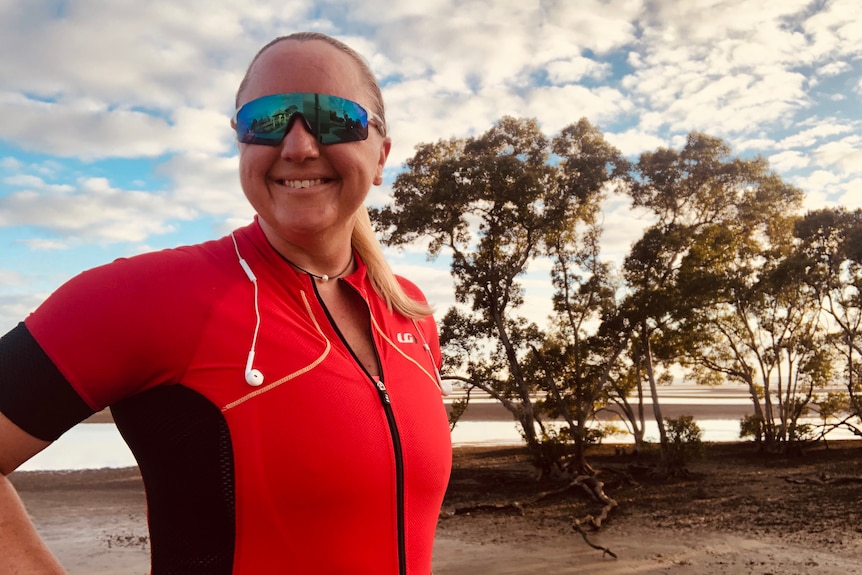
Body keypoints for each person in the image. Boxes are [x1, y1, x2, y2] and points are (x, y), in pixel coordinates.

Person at [0, 32, 452, 574]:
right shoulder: (147, 297)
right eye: (267, 119)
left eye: (335, 117)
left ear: (380, 155)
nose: (299, 146)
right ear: (241, 142)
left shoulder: (409, 311)